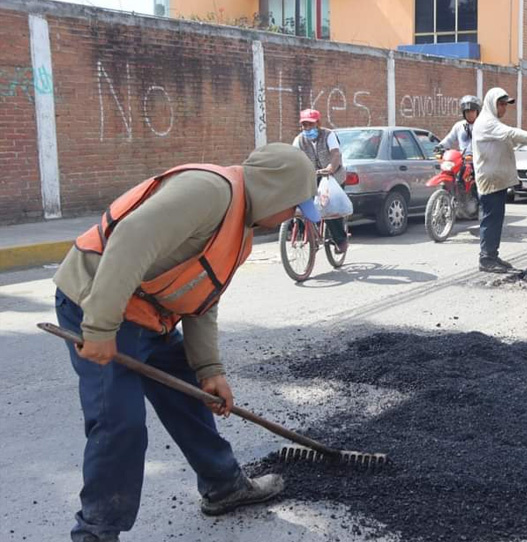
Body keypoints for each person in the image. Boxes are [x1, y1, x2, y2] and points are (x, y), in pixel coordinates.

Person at [52, 143, 317, 541]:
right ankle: (95, 533)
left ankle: (223, 486)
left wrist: (210, 370)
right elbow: (130, 239)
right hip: (97, 301)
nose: (294, 215)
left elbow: (202, 298)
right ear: (275, 190)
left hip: (146, 315)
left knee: (192, 394)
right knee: (119, 424)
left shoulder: (239, 228)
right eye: (295, 205)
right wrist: (102, 328)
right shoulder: (208, 192)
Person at [472, 87, 527, 272]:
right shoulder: (487, 123)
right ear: (492, 104)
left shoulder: (493, 124)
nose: (504, 108)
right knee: (491, 221)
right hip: (490, 181)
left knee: (496, 220)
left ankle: (493, 255)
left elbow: (512, 139)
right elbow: (511, 133)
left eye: (505, 105)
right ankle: (486, 259)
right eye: (501, 104)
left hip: (496, 181)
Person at [293, 109, 349, 253]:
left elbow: (335, 154)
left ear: (318, 123)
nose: (307, 128)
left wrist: (330, 168)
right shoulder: (299, 140)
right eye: (304, 125)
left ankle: (340, 240)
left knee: (329, 207)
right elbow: (293, 157)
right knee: (302, 203)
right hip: (312, 177)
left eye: (310, 125)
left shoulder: (329, 135)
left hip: (333, 177)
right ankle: (308, 235)